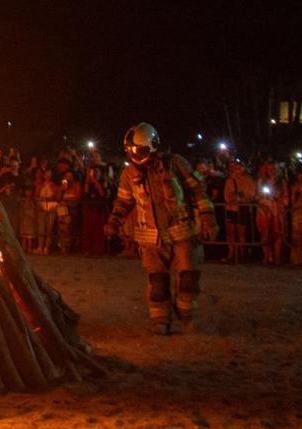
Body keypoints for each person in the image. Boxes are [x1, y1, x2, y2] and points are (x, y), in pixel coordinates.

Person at [106, 123, 215, 335]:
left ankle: (186, 316)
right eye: (132, 151)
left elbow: (198, 191)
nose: (136, 155)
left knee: (189, 278)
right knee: (157, 282)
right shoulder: (129, 174)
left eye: (140, 150)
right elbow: (123, 201)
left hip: (182, 231)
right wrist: (113, 221)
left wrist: (208, 218)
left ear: (153, 146)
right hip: (150, 237)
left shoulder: (176, 164)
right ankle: (161, 319)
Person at [223, 162, 257, 263]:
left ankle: (242, 254)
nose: (237, 171)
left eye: (239, 168)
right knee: (231, 233)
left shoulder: (249, 180)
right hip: (231, 209)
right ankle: (231, 254)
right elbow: (227, 196)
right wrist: (235, 198)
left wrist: (240, 198)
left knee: (242, 233)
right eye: (235, 168)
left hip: (243, 209)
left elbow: (250, 195)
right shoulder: (229, 181)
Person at [35, 169, 58, 255]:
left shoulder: (54, 186)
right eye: (46, 174)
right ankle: (40, 246)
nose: (47, 176)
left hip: (51, 209)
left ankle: (46, 247)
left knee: (49, 229)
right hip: (42, 208)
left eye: (49, 174)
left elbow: (56, 196)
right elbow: (36, 195)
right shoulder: (40, 185)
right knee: (41, 228)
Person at [18, 183, 37, 253]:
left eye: (29, 192)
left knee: (30, 236)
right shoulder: (22, 201)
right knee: (23, 235)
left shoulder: (33, 202)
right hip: (24, 220)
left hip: (30, 220)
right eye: (27, 192)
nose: (28, 193)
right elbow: (21, 210)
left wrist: (29, 214)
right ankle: (23, 248)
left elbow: (33, 211)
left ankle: (29, 248)